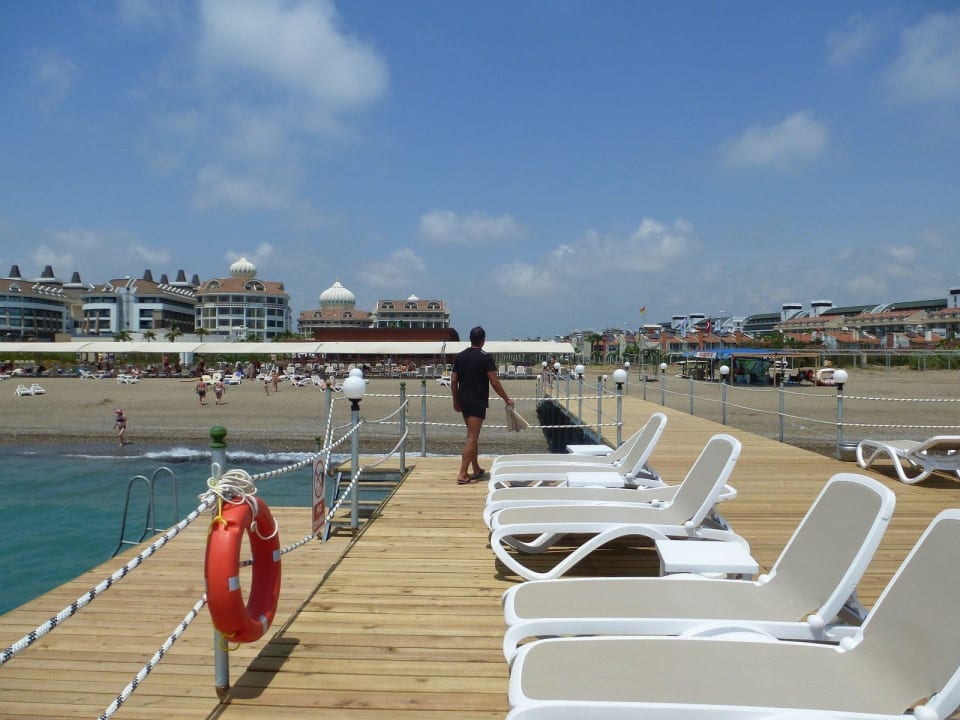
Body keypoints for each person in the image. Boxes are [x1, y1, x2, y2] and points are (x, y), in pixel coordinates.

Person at [450, 325, 514, 485]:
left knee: (472, 436)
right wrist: (507, 399)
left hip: (464, 400)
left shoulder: (460, 356)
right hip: (477, 401)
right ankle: (462, 474)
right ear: (483, 340)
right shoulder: (485, 357)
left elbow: (453, 381)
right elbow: (495, 382)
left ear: (470, 339)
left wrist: (455, 400)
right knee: (472, 437)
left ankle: (476, 468)